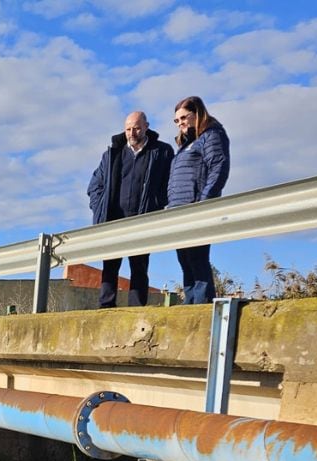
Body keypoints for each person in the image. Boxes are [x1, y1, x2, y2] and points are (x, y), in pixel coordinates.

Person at [86, 110, 174, 308]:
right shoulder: (112, 155)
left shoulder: (161, 152)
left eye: (136, 128)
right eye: (128, 129)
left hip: (142, 219)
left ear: (146, 127)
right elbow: (94, 186)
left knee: (139, 266)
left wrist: (157, 202)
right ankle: (106, 308)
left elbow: (170, 183)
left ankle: (136, 309)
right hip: (114, 219)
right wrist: (100, 207)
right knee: (109, 266)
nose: (132, 133)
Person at [166, 96, 230, 304]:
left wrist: (205, 202)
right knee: (185, 261)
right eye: (177, 120)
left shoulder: (211, 135)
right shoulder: (185, 145)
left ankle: (201, 306)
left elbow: (218, 167)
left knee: (197, 259)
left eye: (184, 117)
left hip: (196, 208)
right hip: (179, 211)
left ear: (197, 113)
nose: (180, 123)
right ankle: (190, 303)